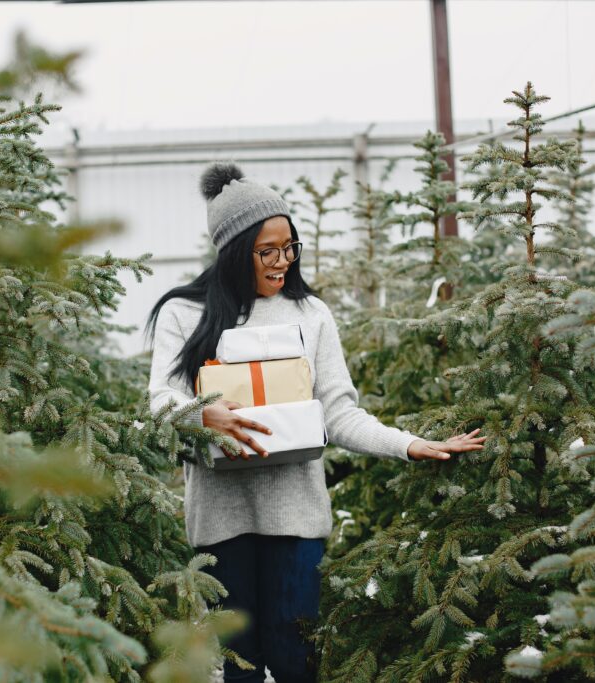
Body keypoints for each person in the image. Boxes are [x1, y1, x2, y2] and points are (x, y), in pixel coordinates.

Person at [144, 162, 486, 683]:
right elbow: (157, 401)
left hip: (297, 520)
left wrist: (411, 444)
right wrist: (197, 412)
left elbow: (339, 410)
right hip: (220, 522)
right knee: (238, 665)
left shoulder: (310, 314)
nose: (282, 261)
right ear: (235, 251)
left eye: (290, 247)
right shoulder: (183, 315)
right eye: (268, 251)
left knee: (294, 659)